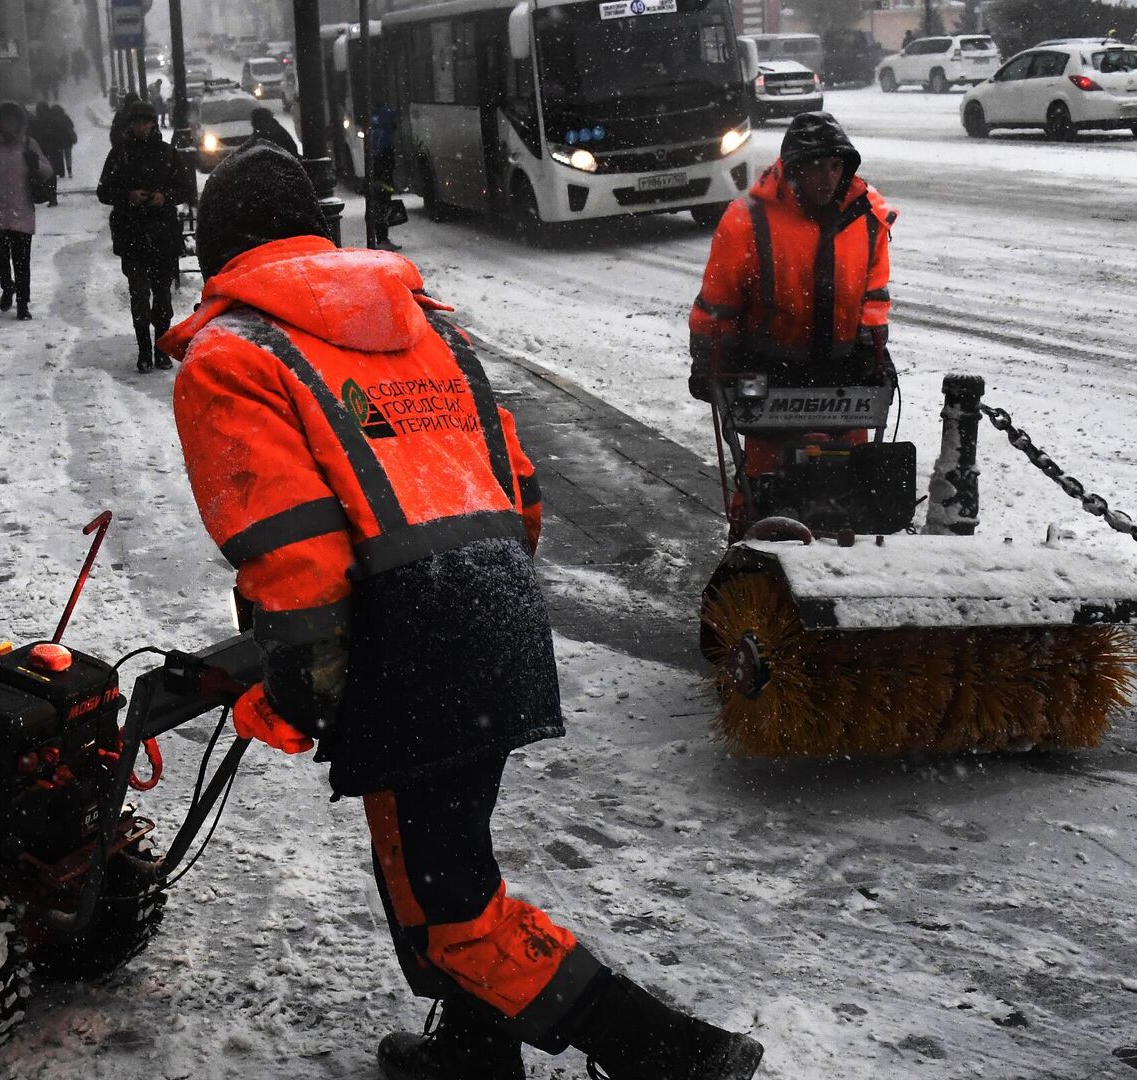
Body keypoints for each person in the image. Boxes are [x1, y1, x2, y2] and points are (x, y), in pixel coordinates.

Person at [162, 143, 766, 1080]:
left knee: (450, 908)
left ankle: (671, 1054)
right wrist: (476, 617)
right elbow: (513, 484)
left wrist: (304, 680)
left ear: (217, 247)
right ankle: (476, 1052)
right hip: (497, 606)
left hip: (408, 636)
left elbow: (293, 546)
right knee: (438, 853)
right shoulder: (422, 326)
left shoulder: (233, 353)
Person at [687, 111, 895, 511]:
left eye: (835, 166)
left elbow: (873, 298)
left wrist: (874, 352)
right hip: (768, 375)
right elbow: (718, 304)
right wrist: (707, 361)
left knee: (852, 491)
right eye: (816, 167)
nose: (827, 178)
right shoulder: (746, 220)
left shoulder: (868, 218)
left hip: (843, 375)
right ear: (793, 169)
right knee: (765, 490)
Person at [97, 100, 193, 372]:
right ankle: (144, 350)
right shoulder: (120, 155)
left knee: (162, 296)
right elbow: (104, 191)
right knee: (139, 294)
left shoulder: (166, 153)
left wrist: (164, 198)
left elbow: (185, 189)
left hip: (161, 235)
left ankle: (160, 348)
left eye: (147, 122)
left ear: (152, 124)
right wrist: (129, 197)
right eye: (138, 122)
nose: (143, 127)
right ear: (131, 125)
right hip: (132, 235)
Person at [0, 102, 53, 320]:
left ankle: (23, 303)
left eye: (13, 120)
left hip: (22, 211)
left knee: (22, 262)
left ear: (20, 122)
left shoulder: (28, 144)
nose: (9, 124)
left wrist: (35, 164)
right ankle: (8, 287)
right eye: (5, 120)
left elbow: (47, 170)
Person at [368, 103, 401, 251]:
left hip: (378, 168)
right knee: (382, 202)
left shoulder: (376, 118)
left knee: (380, 202)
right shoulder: (384, 118)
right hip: (382, 169)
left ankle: (380, 238)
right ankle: (381, 239)